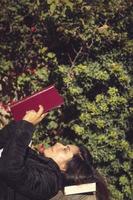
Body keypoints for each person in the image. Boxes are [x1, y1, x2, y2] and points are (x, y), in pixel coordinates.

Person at [0, 105, 110, 200]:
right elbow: (4, 142)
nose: (58, 144)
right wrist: (22, 122)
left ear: (66, 168)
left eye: (65, 149)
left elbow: (10, 169)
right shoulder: (38, 160)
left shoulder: (50, 182)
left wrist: (26, 126)